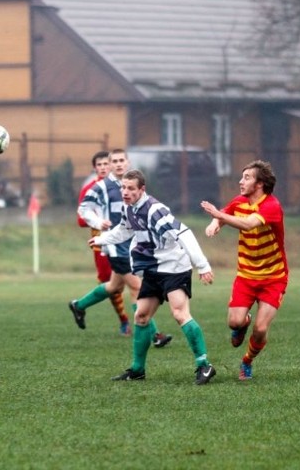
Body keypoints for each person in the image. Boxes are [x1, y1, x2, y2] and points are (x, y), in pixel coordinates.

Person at [90, 169, 216, 384]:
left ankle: (204, 365)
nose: (126, 192)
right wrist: (102, 239)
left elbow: (184, 232)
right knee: (141, 316)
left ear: (142, 190)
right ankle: (137, 369)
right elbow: (123, 231)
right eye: (123, 187)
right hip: (153, 270)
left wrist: (202, 266)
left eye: (131, 188)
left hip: (175, 268)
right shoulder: (129, 209)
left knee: (179, 314)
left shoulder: (155, 210)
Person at [69, 148, 172, 348]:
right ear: (110, 164)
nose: (117, 164)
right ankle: (155, 334)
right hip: (115, 246)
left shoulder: (133, 184)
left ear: (127, 162)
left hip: (132, 244)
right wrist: (98, 222)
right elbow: (83, 209)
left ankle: (78, 305)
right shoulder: (101, 187)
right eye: (113, 161)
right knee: (137, 286)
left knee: (113, 286)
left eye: (121, 160)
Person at [201, 160, 288, 381]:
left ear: (260, 184)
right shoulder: (240, 201)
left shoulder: (271, 206)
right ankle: (242, 323)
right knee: (234, 323)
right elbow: (225, 213)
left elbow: (248, 224)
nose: (241, 181)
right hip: (246, 276)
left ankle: (247, 361)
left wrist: (218, 216)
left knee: (260, 329)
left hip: (273, 278)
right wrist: (215, 224)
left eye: (247, 177)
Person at [77, 150, 130, 336]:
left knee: (118, 284)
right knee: (122, 283)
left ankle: (79, 305)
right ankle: (129, 322)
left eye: (105, 164)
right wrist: (100, 221)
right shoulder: (93, 189)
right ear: (95, 168)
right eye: (99, 165)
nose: (103, 167)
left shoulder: (126, 185)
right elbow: (81, 217)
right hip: (103, 242)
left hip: (126, 240)